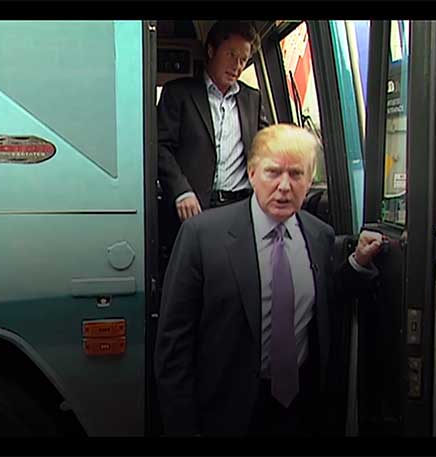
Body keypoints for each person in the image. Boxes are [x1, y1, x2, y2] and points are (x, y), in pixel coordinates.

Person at [154, 124, 384, 436]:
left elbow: (326, 298)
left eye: (296, 174)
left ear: (310, 180)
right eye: (273, 172)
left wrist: (358, 262)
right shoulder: (202, 236)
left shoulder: (319, 236)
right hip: (226, 414)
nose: (284, 186)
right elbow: (173, 346)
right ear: (251, 173)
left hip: (301, 411)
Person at [157, 21, 271, 263]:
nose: (237, 66)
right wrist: (180, 191)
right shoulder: (178, 93)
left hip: (241, 207)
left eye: (243, 60)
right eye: (231, 55)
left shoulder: (253, 99)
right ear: (211, 50)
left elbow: (268, 148)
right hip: (194, 206)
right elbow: (159, 146)